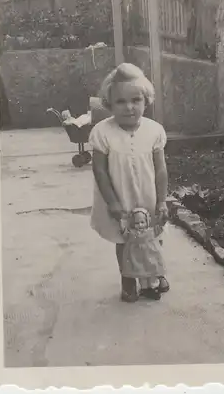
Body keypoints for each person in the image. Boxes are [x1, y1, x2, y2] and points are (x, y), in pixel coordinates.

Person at [88, 62, 169, 302]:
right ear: (109, 104)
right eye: (121, 102)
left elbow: (161, 168)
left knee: (152, 237)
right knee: (124, 239)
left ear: (146, 101)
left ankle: (154, 275)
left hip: (148, 195)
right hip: (119, 196)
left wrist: (162, 200)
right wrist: (112, 201)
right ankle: (128, 280)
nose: (129, 107)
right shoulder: (103, 132)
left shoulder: (154, 131)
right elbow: (100, 171)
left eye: (136, 100)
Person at [120, 208, 165, 301]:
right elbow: (124, 234)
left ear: (147, 221)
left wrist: (162, 219)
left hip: (150, 257)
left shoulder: (150, 231)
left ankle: (154, 288)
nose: (140, 225)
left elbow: (159, 228)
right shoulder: (132, 233)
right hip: (138, 258)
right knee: (142, 275)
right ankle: (144, 289)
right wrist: (120, 222)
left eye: (142, 222)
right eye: (136, 223)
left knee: (152, 274)